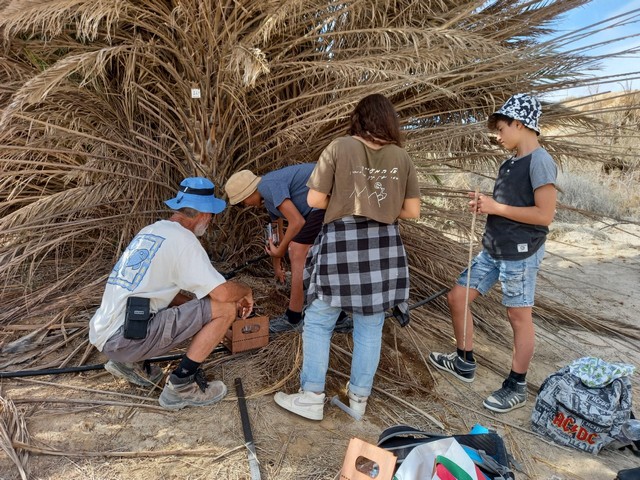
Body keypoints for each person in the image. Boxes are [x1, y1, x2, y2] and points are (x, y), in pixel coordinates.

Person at [273, 93, 421, 420]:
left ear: (359, 119)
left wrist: (349, 199)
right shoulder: (402, 157)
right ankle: (358, 400)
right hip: (385, 245)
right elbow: (411, 211)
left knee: (319, 318)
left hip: (343, 240)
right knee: (370, 324)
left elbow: (314, 198)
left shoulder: (339, 147)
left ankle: (311, 396)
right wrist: (378, 204)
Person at [429, 93, 557, 413]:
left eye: (501, 129)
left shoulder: (541, 160)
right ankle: (464, 361)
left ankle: (516, 384)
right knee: (458, 297)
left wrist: (496, 207)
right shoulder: (509, 163)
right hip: (493, 248)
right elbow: (510, 207)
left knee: (518, 316)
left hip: (521, 252)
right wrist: (486, 206)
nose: (498, 136)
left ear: (519, 124)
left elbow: (544, 215)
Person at [89, 177, 254, 410]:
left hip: (105, 333)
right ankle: (181, 386)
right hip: (125, 339)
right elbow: (223, 295)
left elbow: (165, 293)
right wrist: (246, 290)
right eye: (212, 217)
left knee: (207, 307)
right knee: (225, 309)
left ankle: (126, 364)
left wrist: (200, 317)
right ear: (204, 215)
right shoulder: (185, 241)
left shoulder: (152, 231)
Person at [224, 164, 351, 333]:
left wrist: (283, 250)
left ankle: (293, 317)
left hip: (334, 196)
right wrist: (277, 265)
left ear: (248, 193)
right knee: (313, 255)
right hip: (332, 199)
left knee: (297, 250)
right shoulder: (270, 200)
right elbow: (278, 234)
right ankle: (339, 317)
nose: (247, 206)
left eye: (243, 202)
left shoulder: (267, 185)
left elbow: (297, 222)